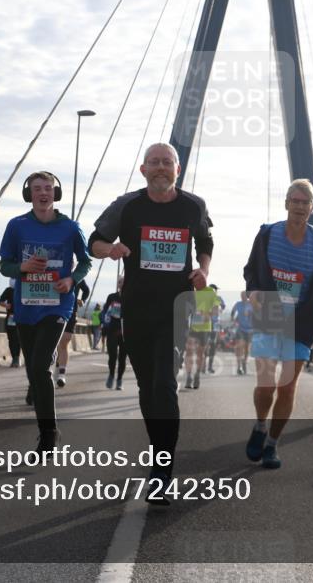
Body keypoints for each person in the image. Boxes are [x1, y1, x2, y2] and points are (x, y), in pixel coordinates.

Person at [90, 143, 213, 504]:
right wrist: (109, 250)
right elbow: (94, 242)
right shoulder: (127, 205)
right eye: (154, 163)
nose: (160, 168)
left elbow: (205, 241)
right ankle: (159, 452)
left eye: (167, 162)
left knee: (164, 383)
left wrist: (203, 270)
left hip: (176, 307)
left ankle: (162, 471)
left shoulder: (194, 206)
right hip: (137, 308)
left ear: (178, 169)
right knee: (147, 387)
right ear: (143, 170)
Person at [243, 179, 313, 469]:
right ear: (286, 203)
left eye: (305, 202)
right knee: (266, 387)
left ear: (311, 209)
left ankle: (272, 444)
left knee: (287, 387)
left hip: (302, 323)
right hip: (268, 316)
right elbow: (251, 270)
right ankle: (261, 425)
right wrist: (252, 291)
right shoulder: (267, 235)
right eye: (295, 201)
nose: (299, 206)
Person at [0, 171, 92, 452]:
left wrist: (71, 280)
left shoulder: (71, 228)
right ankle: (47, 428)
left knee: (40, 365)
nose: (43, 193)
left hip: (57, 306)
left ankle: (48, 433)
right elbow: (5, 266)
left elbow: (86, 263)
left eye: (48, 189)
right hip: (26, 308)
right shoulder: (16, 226)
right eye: (37, 189)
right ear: (29, 194)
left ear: (55, 193)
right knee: (34, 371)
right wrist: (22, 269)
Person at [54, 279, 89, 388]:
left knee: (64, 342)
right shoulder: (56, 271)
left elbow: (86, 290)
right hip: (53, 310)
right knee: (55, 343)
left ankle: (61, 374)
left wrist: (82, 300)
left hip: (70, 312)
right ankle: (56, 366)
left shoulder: (77, 277)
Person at [184, 285, 219, 389]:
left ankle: (197, 375)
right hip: (191, 327)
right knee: (189, 351)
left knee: (200, 353)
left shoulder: (210, 292)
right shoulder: (190, 291)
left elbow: (216, 309)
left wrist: (208, 314)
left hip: (204, 328)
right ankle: (189, 376)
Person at [101, 276, 127, 389]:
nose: (121, 284)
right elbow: (105, 312)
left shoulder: (130, 297)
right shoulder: (111, 297)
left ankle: (119, 380)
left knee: (122, 358)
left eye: (124, 282)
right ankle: (111, 375)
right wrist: (104, 326)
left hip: (125, 332)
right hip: (112, 330)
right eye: (120, 282)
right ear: (118, 284)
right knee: (112, 356)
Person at [230, 291, 254, 375]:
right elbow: (233, 311)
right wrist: (232, 319)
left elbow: (257, 313)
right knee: (240, 347)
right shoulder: (238, 304)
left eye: (244, 295)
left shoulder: (251, 304)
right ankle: (239, 366)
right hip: (240, 329)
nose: (242, 297)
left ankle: (244, 362)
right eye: (241, 295)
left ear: (247, 296)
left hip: (250, 330)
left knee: (247, 349)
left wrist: (251, 313)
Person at [0, 280, 20, 367]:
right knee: (11, 338)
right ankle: (14, 358)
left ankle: (18, 358)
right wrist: (6, 305)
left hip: (22, 317)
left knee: (19, 338)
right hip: (11, 317)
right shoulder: (9, 290)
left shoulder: (24, 288)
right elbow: (0, 301)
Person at [205, 285, 226, 373]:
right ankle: (203, 365)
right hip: (206, 324)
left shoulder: (219, 298)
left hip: (216, 324)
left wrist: (220, 309)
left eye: (215, 290)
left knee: (213, 344)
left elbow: (223, 307)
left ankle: (210, 366)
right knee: (205, 344)